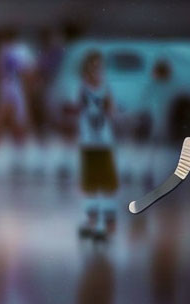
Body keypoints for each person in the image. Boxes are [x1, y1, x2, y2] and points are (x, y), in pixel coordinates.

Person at [76, 50, 119, 239]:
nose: (96, 71)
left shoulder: (106, 89)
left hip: (103, 143)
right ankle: (92, 220)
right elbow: (79, 111)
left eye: (99, 67)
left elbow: (111, 112)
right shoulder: (82, 89)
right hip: (88, 143)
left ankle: (109, 222)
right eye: (92, 67)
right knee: (90, 182)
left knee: (107, 181)